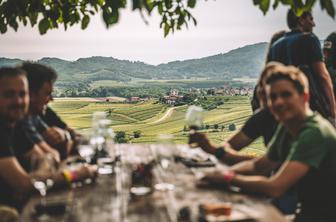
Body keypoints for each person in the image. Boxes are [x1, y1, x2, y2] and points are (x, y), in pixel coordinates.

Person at [201, 63, 336, 222]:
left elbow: (275, 187)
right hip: (309, 212)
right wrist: (226, 174)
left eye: (286, 95)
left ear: (304, 97)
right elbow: (258, 166)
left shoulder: (314, 132)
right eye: (273, 97)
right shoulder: (288, 127)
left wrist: (229, 178)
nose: (278, 102)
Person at [0, 67, 97, 210]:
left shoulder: (16, 125)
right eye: (9, 95)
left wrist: (38, 177)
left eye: (22, 94)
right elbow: (24, 185)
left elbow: (48, 157)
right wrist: (76, 174)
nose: (18, 101)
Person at [189, 62, 279, 165]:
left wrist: (212, 149)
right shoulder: (263, 116)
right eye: (262, 93)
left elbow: (266, 164)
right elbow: (231, 146)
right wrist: (213, 149)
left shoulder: (295, 125)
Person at [267, 9, 336, 121]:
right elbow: (323, 76)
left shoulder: (276, 46)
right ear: (301, 20)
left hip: (286, 110)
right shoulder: (310, 39)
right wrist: (333, 111)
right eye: (311, 19)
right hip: (310, 107)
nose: (314, 24)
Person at [20, 62, 75, 160]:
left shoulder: (35, 116)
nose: (51, 99)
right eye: (47, 94)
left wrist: (65, 136)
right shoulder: (18, 122)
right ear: (31, 94)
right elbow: (53, 157)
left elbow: (68, 137)